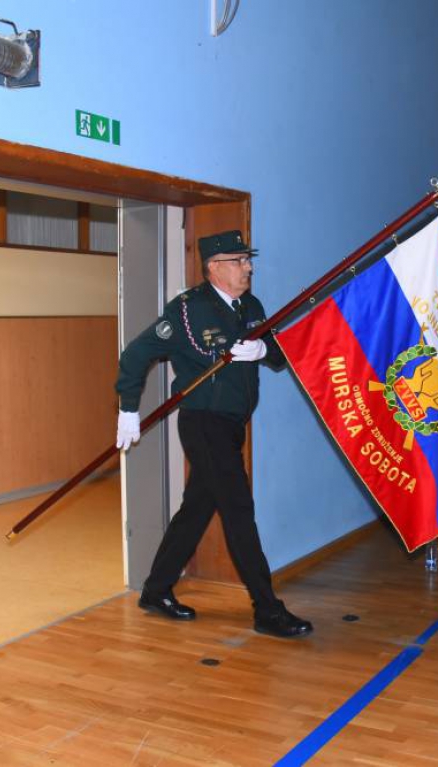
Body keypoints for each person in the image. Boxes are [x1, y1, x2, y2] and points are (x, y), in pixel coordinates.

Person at [115, 230, 312, 638]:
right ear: (214, 267)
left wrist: (263, 350)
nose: (248, 268)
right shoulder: (188, 310)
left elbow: (279, 352)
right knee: (238, 509)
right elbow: (135, 354)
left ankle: (156, 590)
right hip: (203, 422)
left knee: (197, 509)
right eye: (239, 261)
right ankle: (267, 609)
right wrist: (128, 408)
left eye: (248, 260)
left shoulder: (251, 306)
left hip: (233, 424)